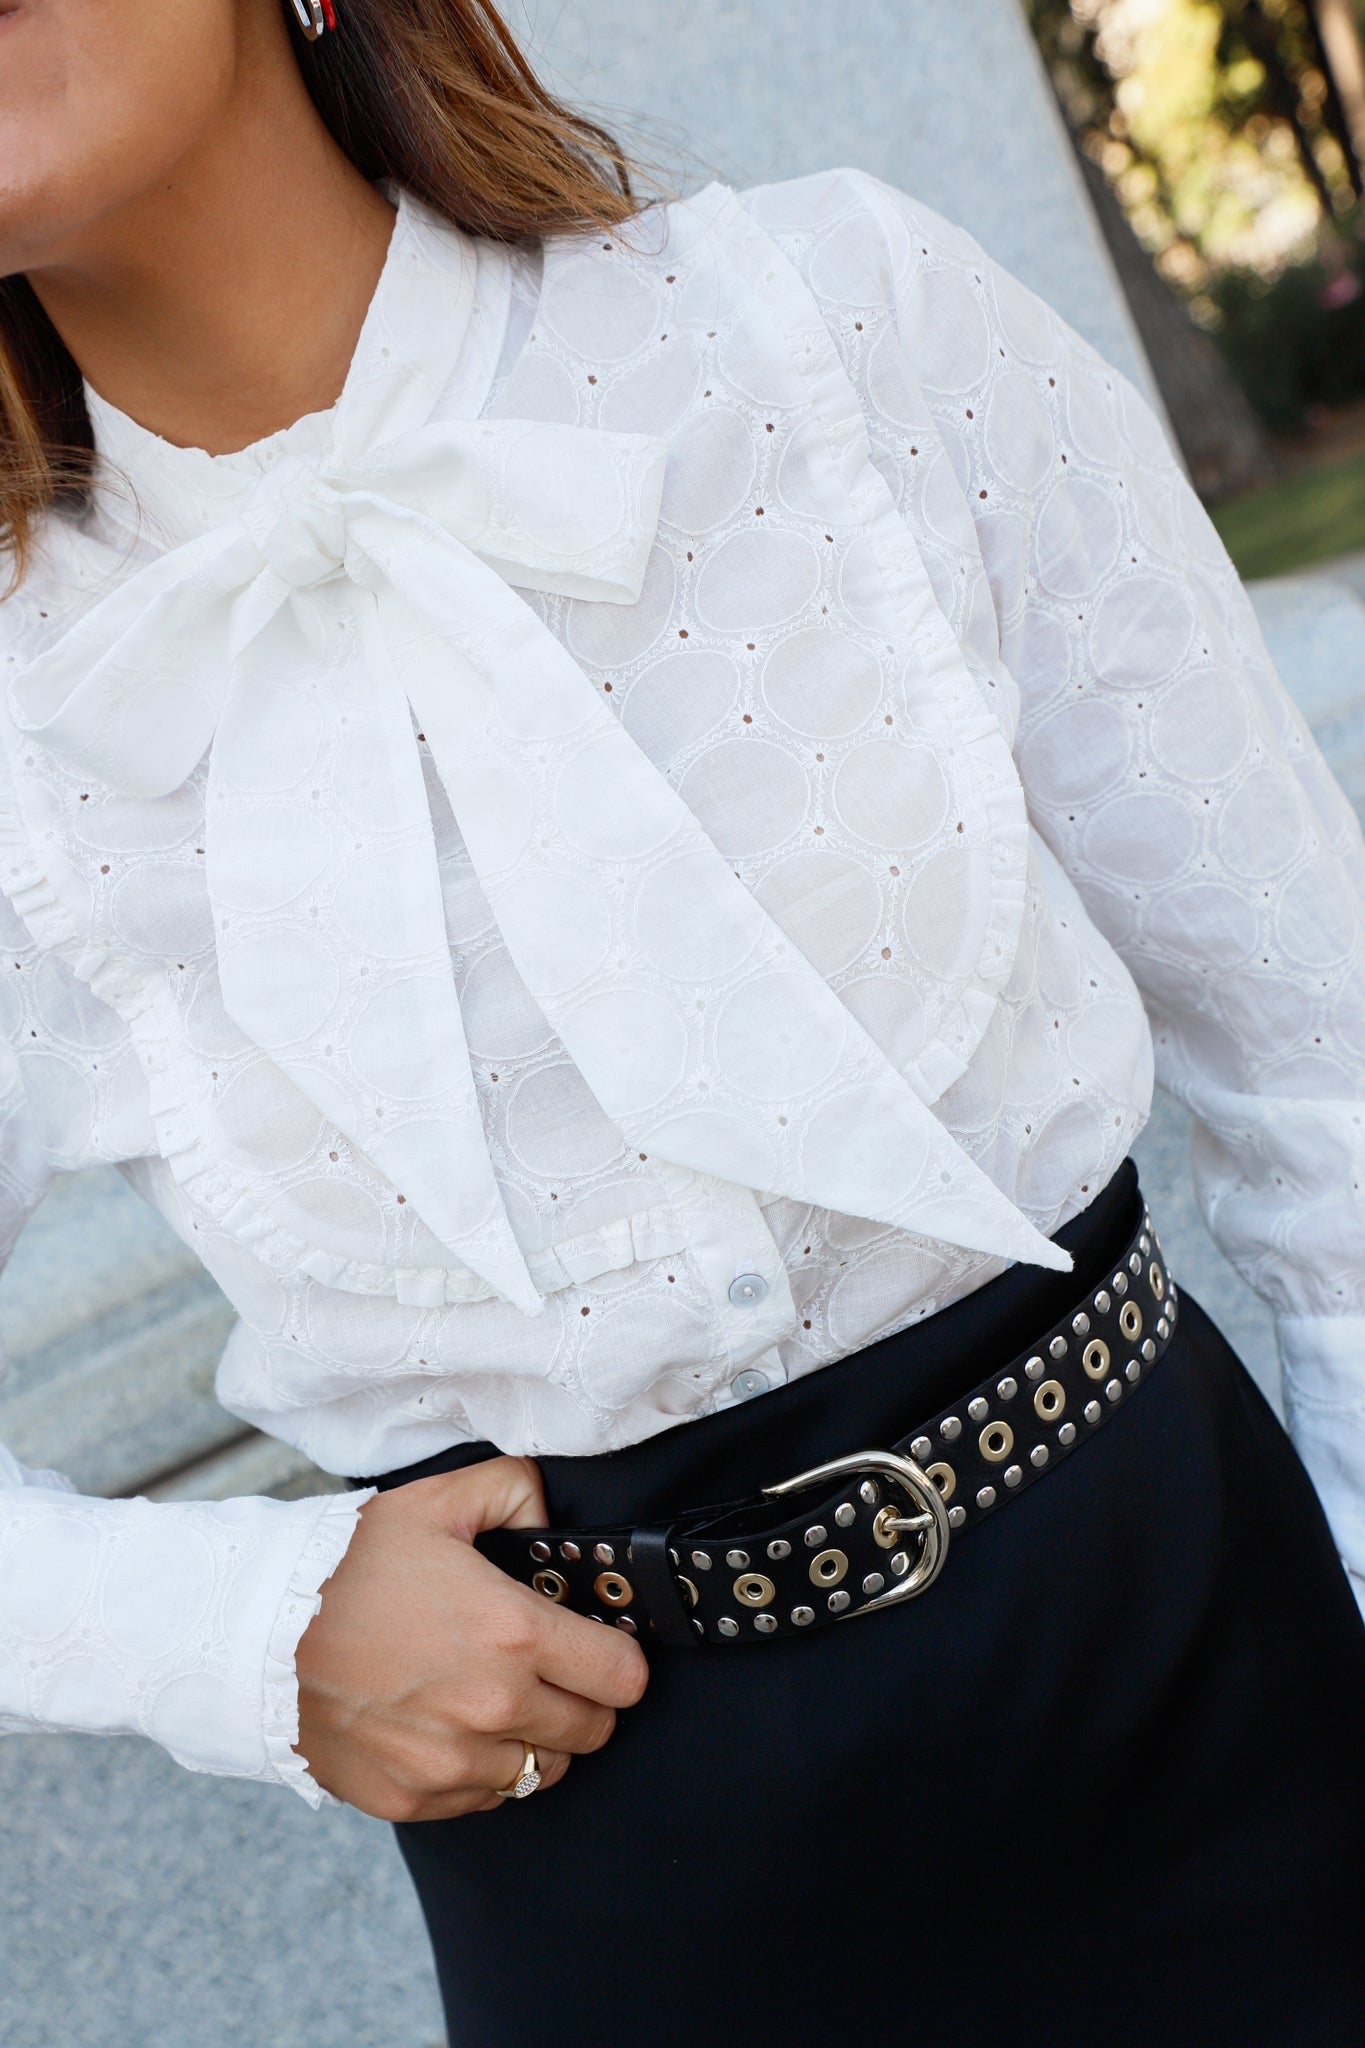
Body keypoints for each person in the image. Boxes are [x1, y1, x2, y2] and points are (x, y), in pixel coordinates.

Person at [1, 2, 1363, 2042]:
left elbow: (1317, 1052)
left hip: (1211, 1690)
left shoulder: (839, 320)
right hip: (628, 1878)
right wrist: (241, 1637)